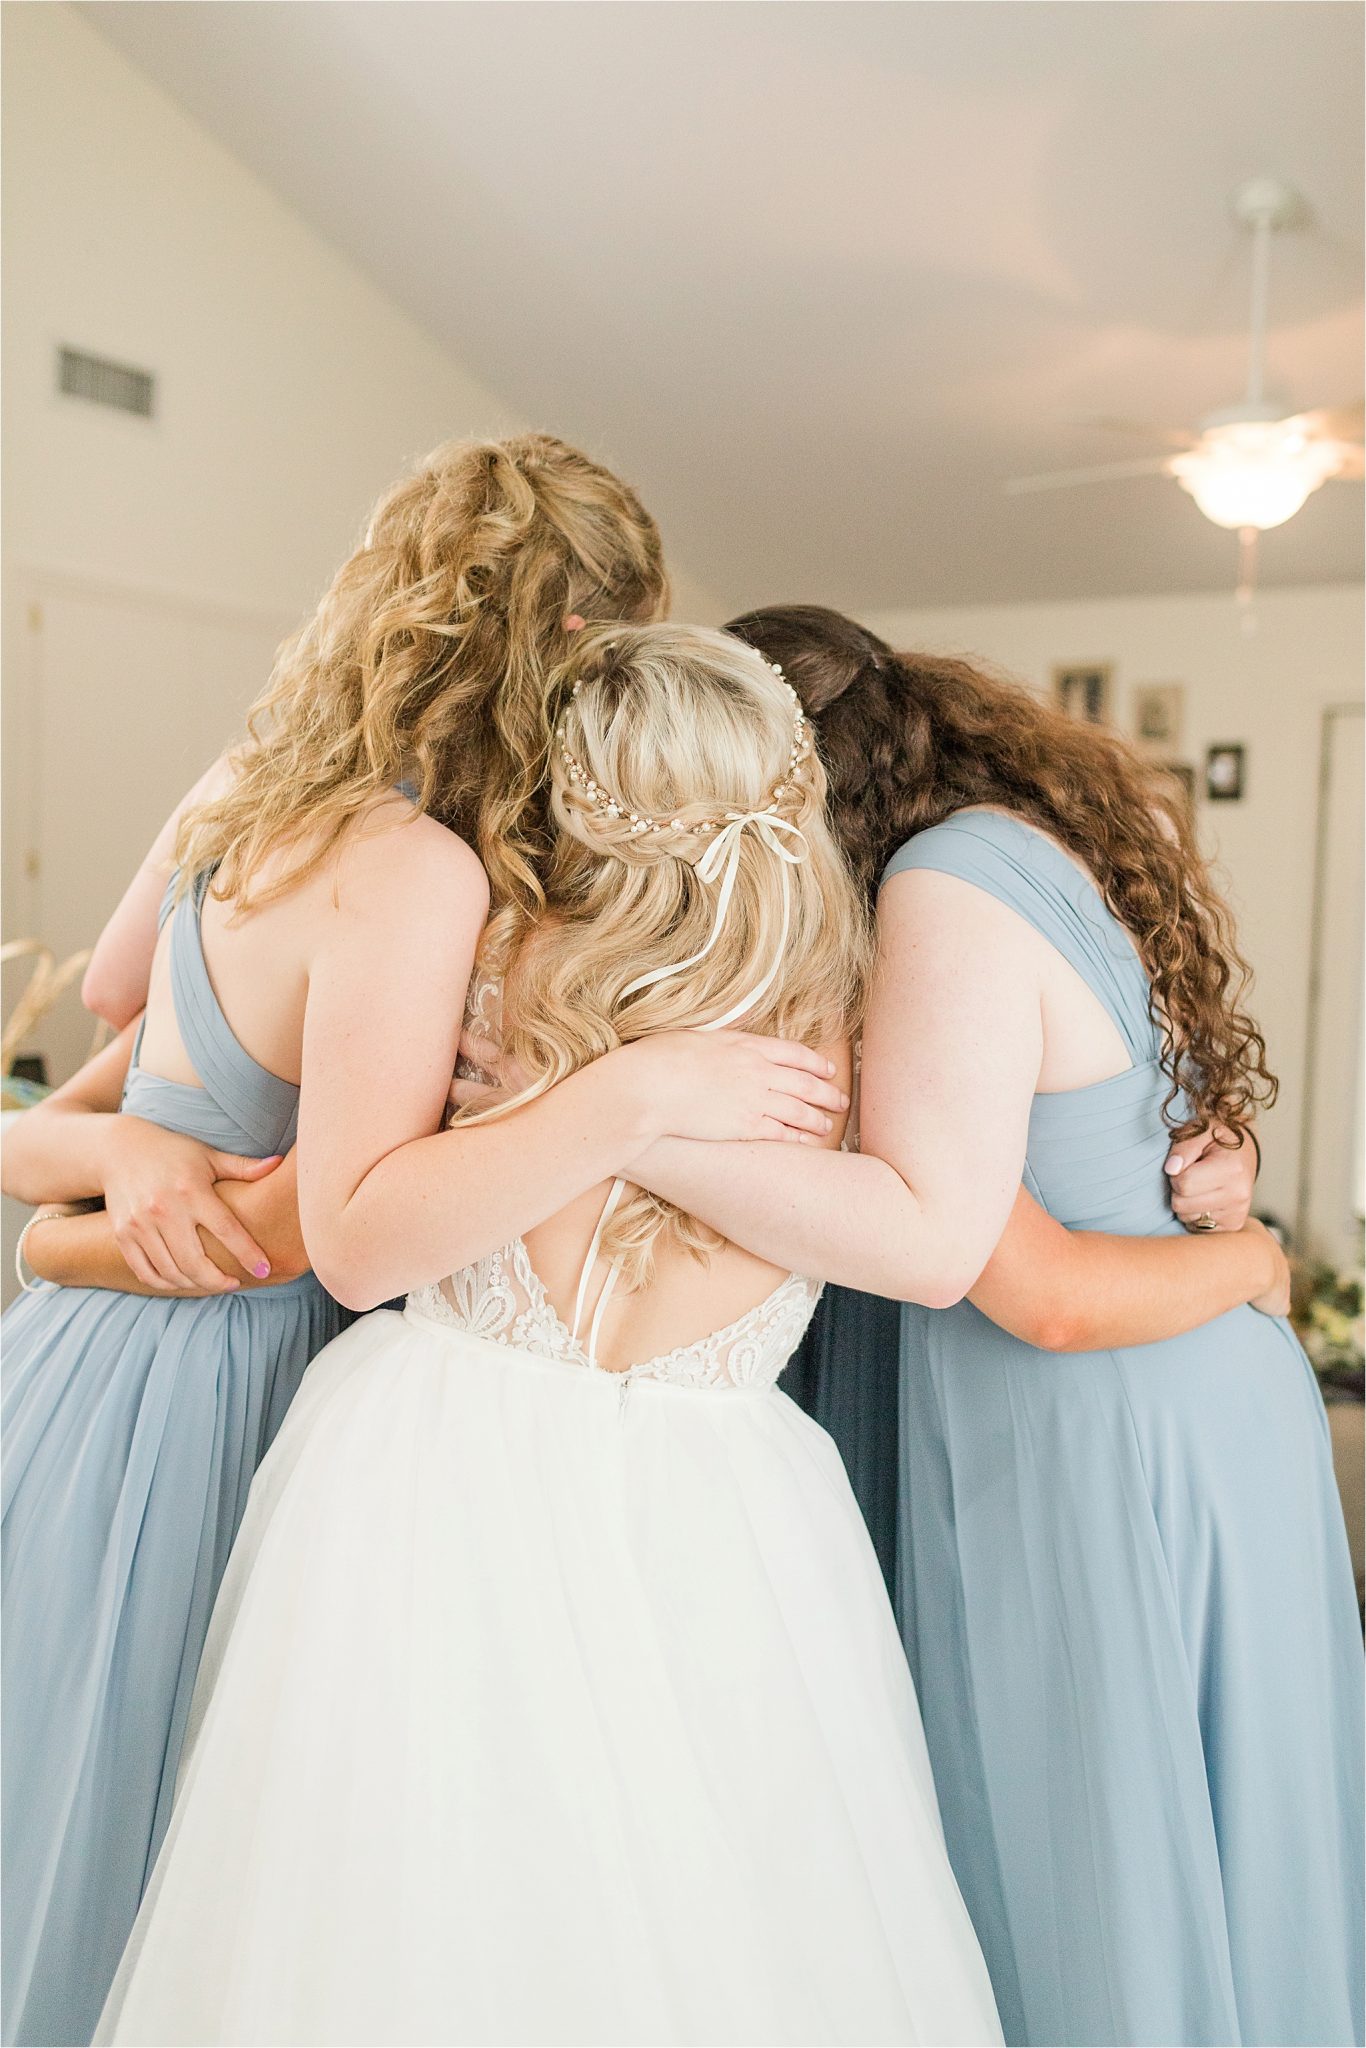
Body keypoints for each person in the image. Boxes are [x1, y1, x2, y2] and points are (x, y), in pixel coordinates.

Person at [95, 623, 1002, 2047]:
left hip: (502, 1472)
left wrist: (608, 1107)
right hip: (566, 1493)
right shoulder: (822, 989)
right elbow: (361, 1239)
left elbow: (922, 1249)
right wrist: (629, 1103)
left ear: (570, 785)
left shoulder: (770, 986)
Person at [0, 431, 692, 2048]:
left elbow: (114, 1003)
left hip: (68, 1372)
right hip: (219, 1389)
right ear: (575, 648)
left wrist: (87, 1181)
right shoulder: (417, 874)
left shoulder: (244, 791)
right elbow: (327, 1231)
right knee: (165, 1837)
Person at [632, 604, 1363, 2048]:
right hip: (1171, 1398)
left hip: (1103, 1414)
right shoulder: (1009, 847)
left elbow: (1018, 1278)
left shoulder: (940, 893)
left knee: (1089, 1876)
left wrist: (616, 1129)